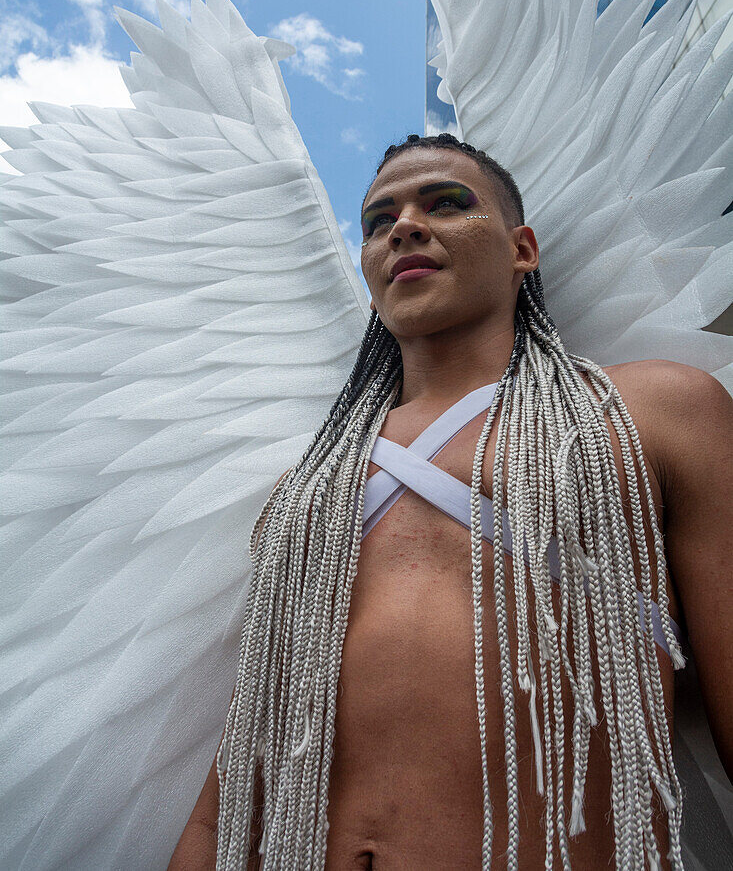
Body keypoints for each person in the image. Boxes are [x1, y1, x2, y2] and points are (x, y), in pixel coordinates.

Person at [169, 133, 733, 870]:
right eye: (379, 220)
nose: (403, 225)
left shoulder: (652, 409)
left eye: (445, 203)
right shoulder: (305, 490)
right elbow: (236, 780)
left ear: (520, 248)